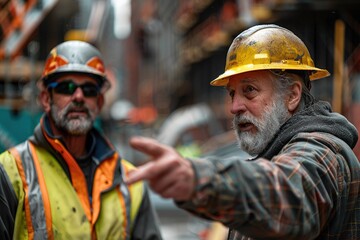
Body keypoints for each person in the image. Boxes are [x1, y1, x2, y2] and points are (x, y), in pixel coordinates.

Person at [126, 24, 360, 239]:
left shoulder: (322, 153)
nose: (234, 107)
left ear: (292, 95)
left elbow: (289, 198)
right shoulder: (276, 153)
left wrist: (199, 178)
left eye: (249, 90)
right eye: (232, 93)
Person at [0, 40, 163, 240]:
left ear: (99, 101)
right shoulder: (10, 173)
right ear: (45, 98)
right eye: (67, 87)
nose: (78, 96)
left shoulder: (131, 182)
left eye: (89, 90)